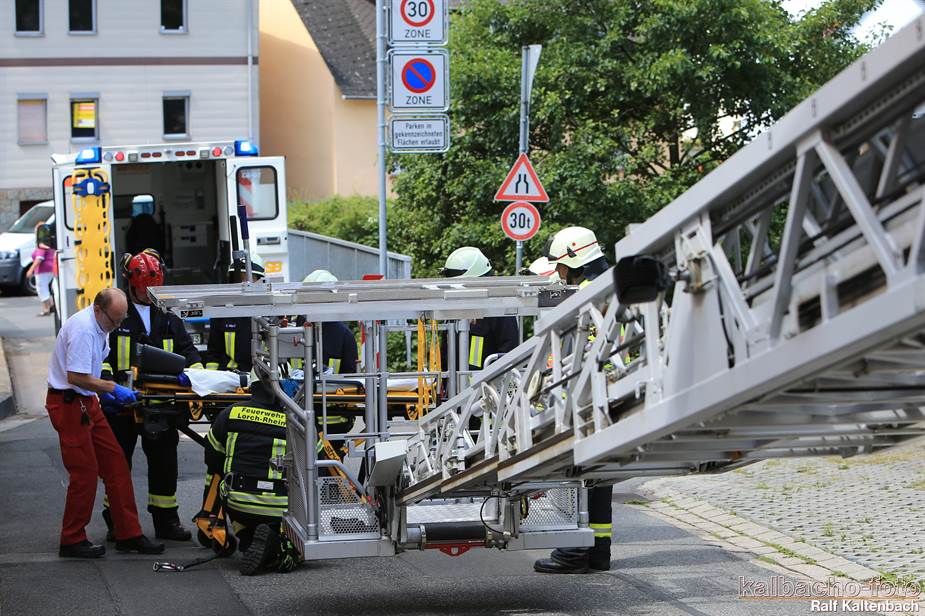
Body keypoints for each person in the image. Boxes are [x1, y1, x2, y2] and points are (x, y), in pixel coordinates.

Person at [46, 287, 165, 558]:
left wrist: (102, 393)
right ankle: (72, 539)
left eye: (122, 319)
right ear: (98, 309)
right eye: (115, 320)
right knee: (85, 473)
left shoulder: (102, 325)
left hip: (85, 402)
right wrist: (112, 389)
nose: (118, 325)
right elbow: (76, 377)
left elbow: (89, 373)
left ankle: (129, 534)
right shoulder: (84, 330)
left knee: (116, 465)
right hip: (70, 404)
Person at [100, 250, 203, 542]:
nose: (149, 295)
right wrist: (108, 384)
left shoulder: (167, 315)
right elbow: (102, 355)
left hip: (161, 405)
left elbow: (188, 350)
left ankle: (166, 521)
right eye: (144, 289)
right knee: (118, 465)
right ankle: (117, 522)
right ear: (130, 283)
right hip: (122, 404)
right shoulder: (118, 312)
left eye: (153, 289)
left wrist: (196, 375)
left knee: (164, 464)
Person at [533, 226, 612, 574]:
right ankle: (598, 552)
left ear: (573, 260)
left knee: (576, 473)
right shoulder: (612, 284)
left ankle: (573, 552)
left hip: (584, 397)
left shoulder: (579, 295)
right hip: (611, 391)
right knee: (600, 480)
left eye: (560, 266)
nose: (559, 273)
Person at [203, 380, 299, 575]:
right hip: (281, 507)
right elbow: (318, 466)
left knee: (220, 480)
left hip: (238, 503)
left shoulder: (231, 412)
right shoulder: (298, 421)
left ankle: (248, 541)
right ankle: (277, 544)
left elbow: (211, 457)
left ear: (253, 390)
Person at [297, 270, 359, 442]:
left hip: (329, 421)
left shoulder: (343, 336)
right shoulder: (295, 329)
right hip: (301, 416)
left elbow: (351, 381)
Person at [441, 247, 519, 371]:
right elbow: (445, 354)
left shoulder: (498, 310)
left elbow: (509, 352)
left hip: (487, 381)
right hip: (456, 381)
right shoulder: (453, 311)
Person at [204, 254, 266, 373]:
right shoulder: (222, 312)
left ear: (259, 281)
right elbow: (214, 352)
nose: (243, 283)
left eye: (248, 279)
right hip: (231, 376)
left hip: (262, 375)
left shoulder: (269, 311)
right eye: (239, 278)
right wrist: (211, 377)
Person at [26, 223, 56, 316]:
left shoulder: (41, 243)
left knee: (41, 289)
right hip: (50, 268)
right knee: (46, 288)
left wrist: (30, 270)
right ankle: (51, 306)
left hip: (42, 270)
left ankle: (47, 308)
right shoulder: (49, 241)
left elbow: (39, 258)